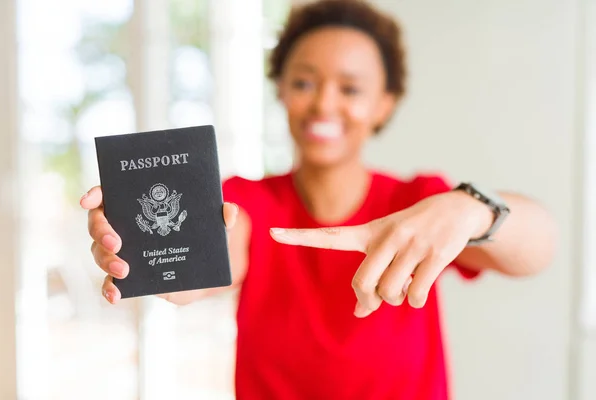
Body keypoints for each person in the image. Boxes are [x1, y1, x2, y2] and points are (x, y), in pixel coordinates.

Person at [80, 0, 557, 398]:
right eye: (304, 82)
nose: (325, 104)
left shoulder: (421, 203)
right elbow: (216, 251)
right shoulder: (247, 201)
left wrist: (470, 209)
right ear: (282, 91)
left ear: (384, 103)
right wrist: (151, 250)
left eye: (350, 88)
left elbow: (539, 249)